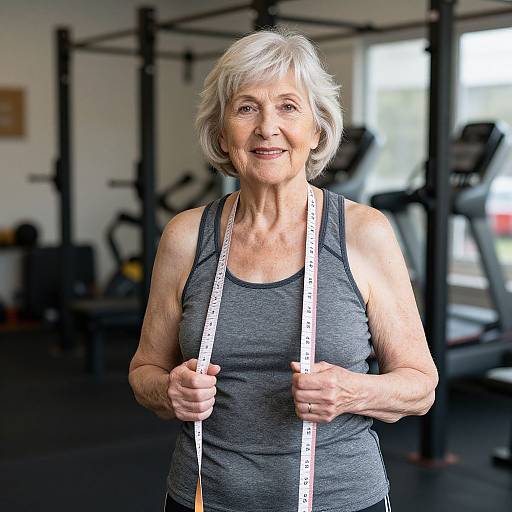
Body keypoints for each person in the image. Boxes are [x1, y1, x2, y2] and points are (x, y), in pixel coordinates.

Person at [128, 27, 438, 512]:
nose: (266, 127)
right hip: (201, 498)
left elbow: (420, 386)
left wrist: (352, 391)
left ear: (317, 128)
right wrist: (169, 391)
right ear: (221, 131)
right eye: (246, 107)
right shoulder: (186, 237)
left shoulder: (362, 233)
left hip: (340, 500)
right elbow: (144, 370)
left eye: (288, 107)